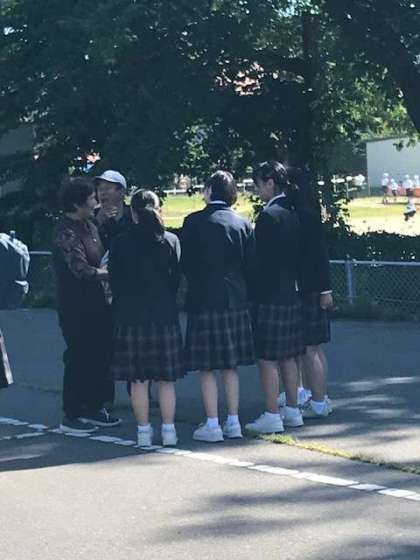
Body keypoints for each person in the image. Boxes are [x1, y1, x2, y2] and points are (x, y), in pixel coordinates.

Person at [182, 170, 255, 443]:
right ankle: (233, 421)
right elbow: (251, 265)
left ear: (209, 190)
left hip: (203, 298)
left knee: (207, 366)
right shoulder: (243, 223)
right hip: (235, 299)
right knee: (230, 365)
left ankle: (212, 423)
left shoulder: (193, 222)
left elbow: (185, 263)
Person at [109, 190, 185, 447]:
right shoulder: (171, 241)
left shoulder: (120, 242)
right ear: (158, 208)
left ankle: (143, 432)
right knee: (166, 379)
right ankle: (169, 431)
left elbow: (115, 282)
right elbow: (175, 280)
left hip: (131, 317)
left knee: (138, 380)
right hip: (164, 316)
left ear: (132, 213)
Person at [52, 177, 121, 434]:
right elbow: (80, 269)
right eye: (91, 198)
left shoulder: (90, 226)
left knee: (100, 356)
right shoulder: (65, 232)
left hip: (99, 304)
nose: (96, 202)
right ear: (77, 203)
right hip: (76, 307)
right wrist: (111, 274)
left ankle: (94, 407)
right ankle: (71, 414)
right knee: (79, 357)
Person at [245, 161, 305, 434]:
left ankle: (272, 413)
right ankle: (292, 410)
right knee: (289, 356)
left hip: (269, 294)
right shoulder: (293, 212)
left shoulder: (269, 216)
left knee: (267, 357)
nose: (257, 191)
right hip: (290, 291)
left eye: (258, 185)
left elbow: (260, 262)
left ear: (270, 182)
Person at [291, 168, 333, 419]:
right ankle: (319, 397)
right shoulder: (310, 213)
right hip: (316, 289)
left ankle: (317, 401)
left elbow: (319, 256)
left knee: (308, 348)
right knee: (313, 348)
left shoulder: (302, 216)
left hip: (308, 289)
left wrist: (324, 289)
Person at [94, 170, 132, 251]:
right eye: (100, 189)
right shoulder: (91, 215)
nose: (102, 193)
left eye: (107, 189)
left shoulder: (133, 215)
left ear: (122, 192)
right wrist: (98, 221)